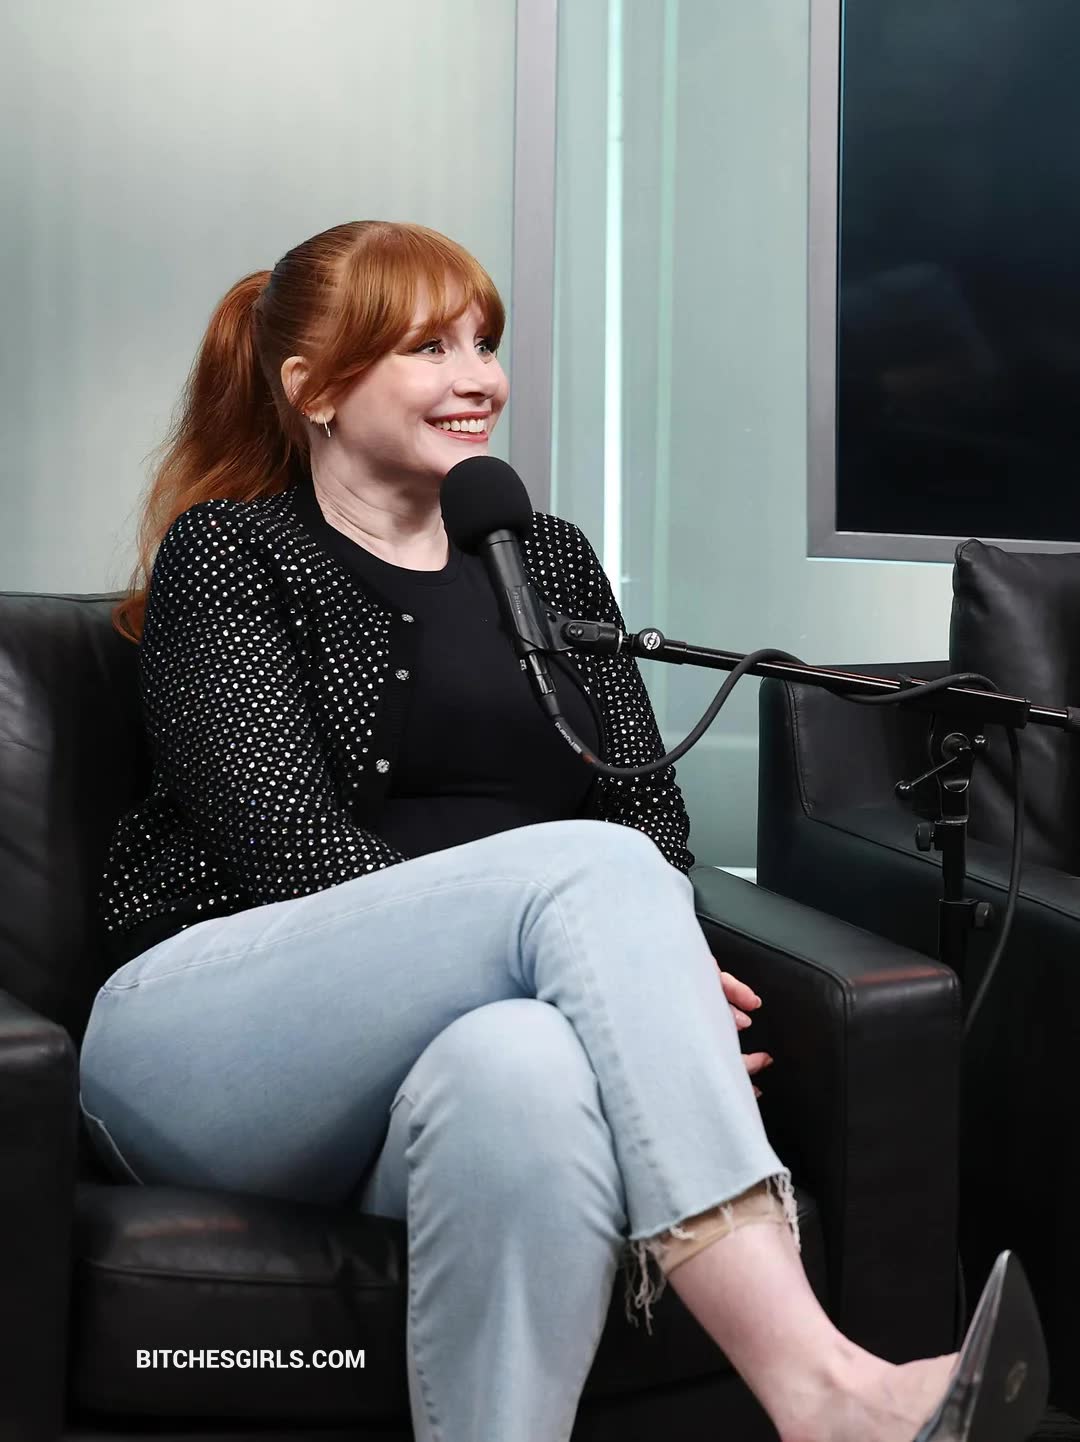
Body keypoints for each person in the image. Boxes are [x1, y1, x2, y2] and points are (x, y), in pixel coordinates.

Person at [79, 220, 1042, 1442]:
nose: (479, 377)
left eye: (483, 341)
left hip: (447, 1058)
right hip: (206, 1040)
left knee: (523, 1074)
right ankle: (820, 1384)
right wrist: (611, 981)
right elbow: (290, 851)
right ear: (313, 388)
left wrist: (606, 990)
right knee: (590, 874)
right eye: (428, 347)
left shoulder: (547, 559)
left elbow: (648, 808)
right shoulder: (230, 552)